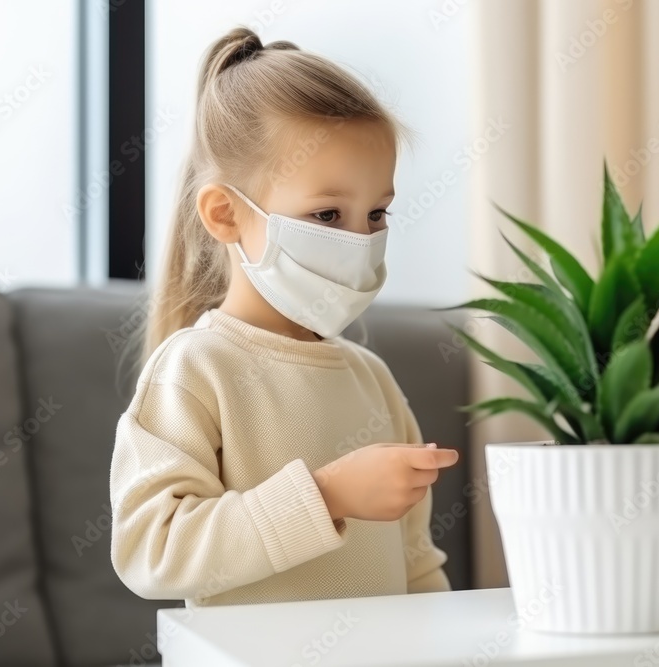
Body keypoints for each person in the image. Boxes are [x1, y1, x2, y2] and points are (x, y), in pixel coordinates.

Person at [109, 26, 460, 609]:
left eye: (376, 214)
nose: (359, 240)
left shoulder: (372, 380)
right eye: (327, 213)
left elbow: (416, 566)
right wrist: (324, 496)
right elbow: (152, 548)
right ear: (225, 215)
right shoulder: (196, 370)